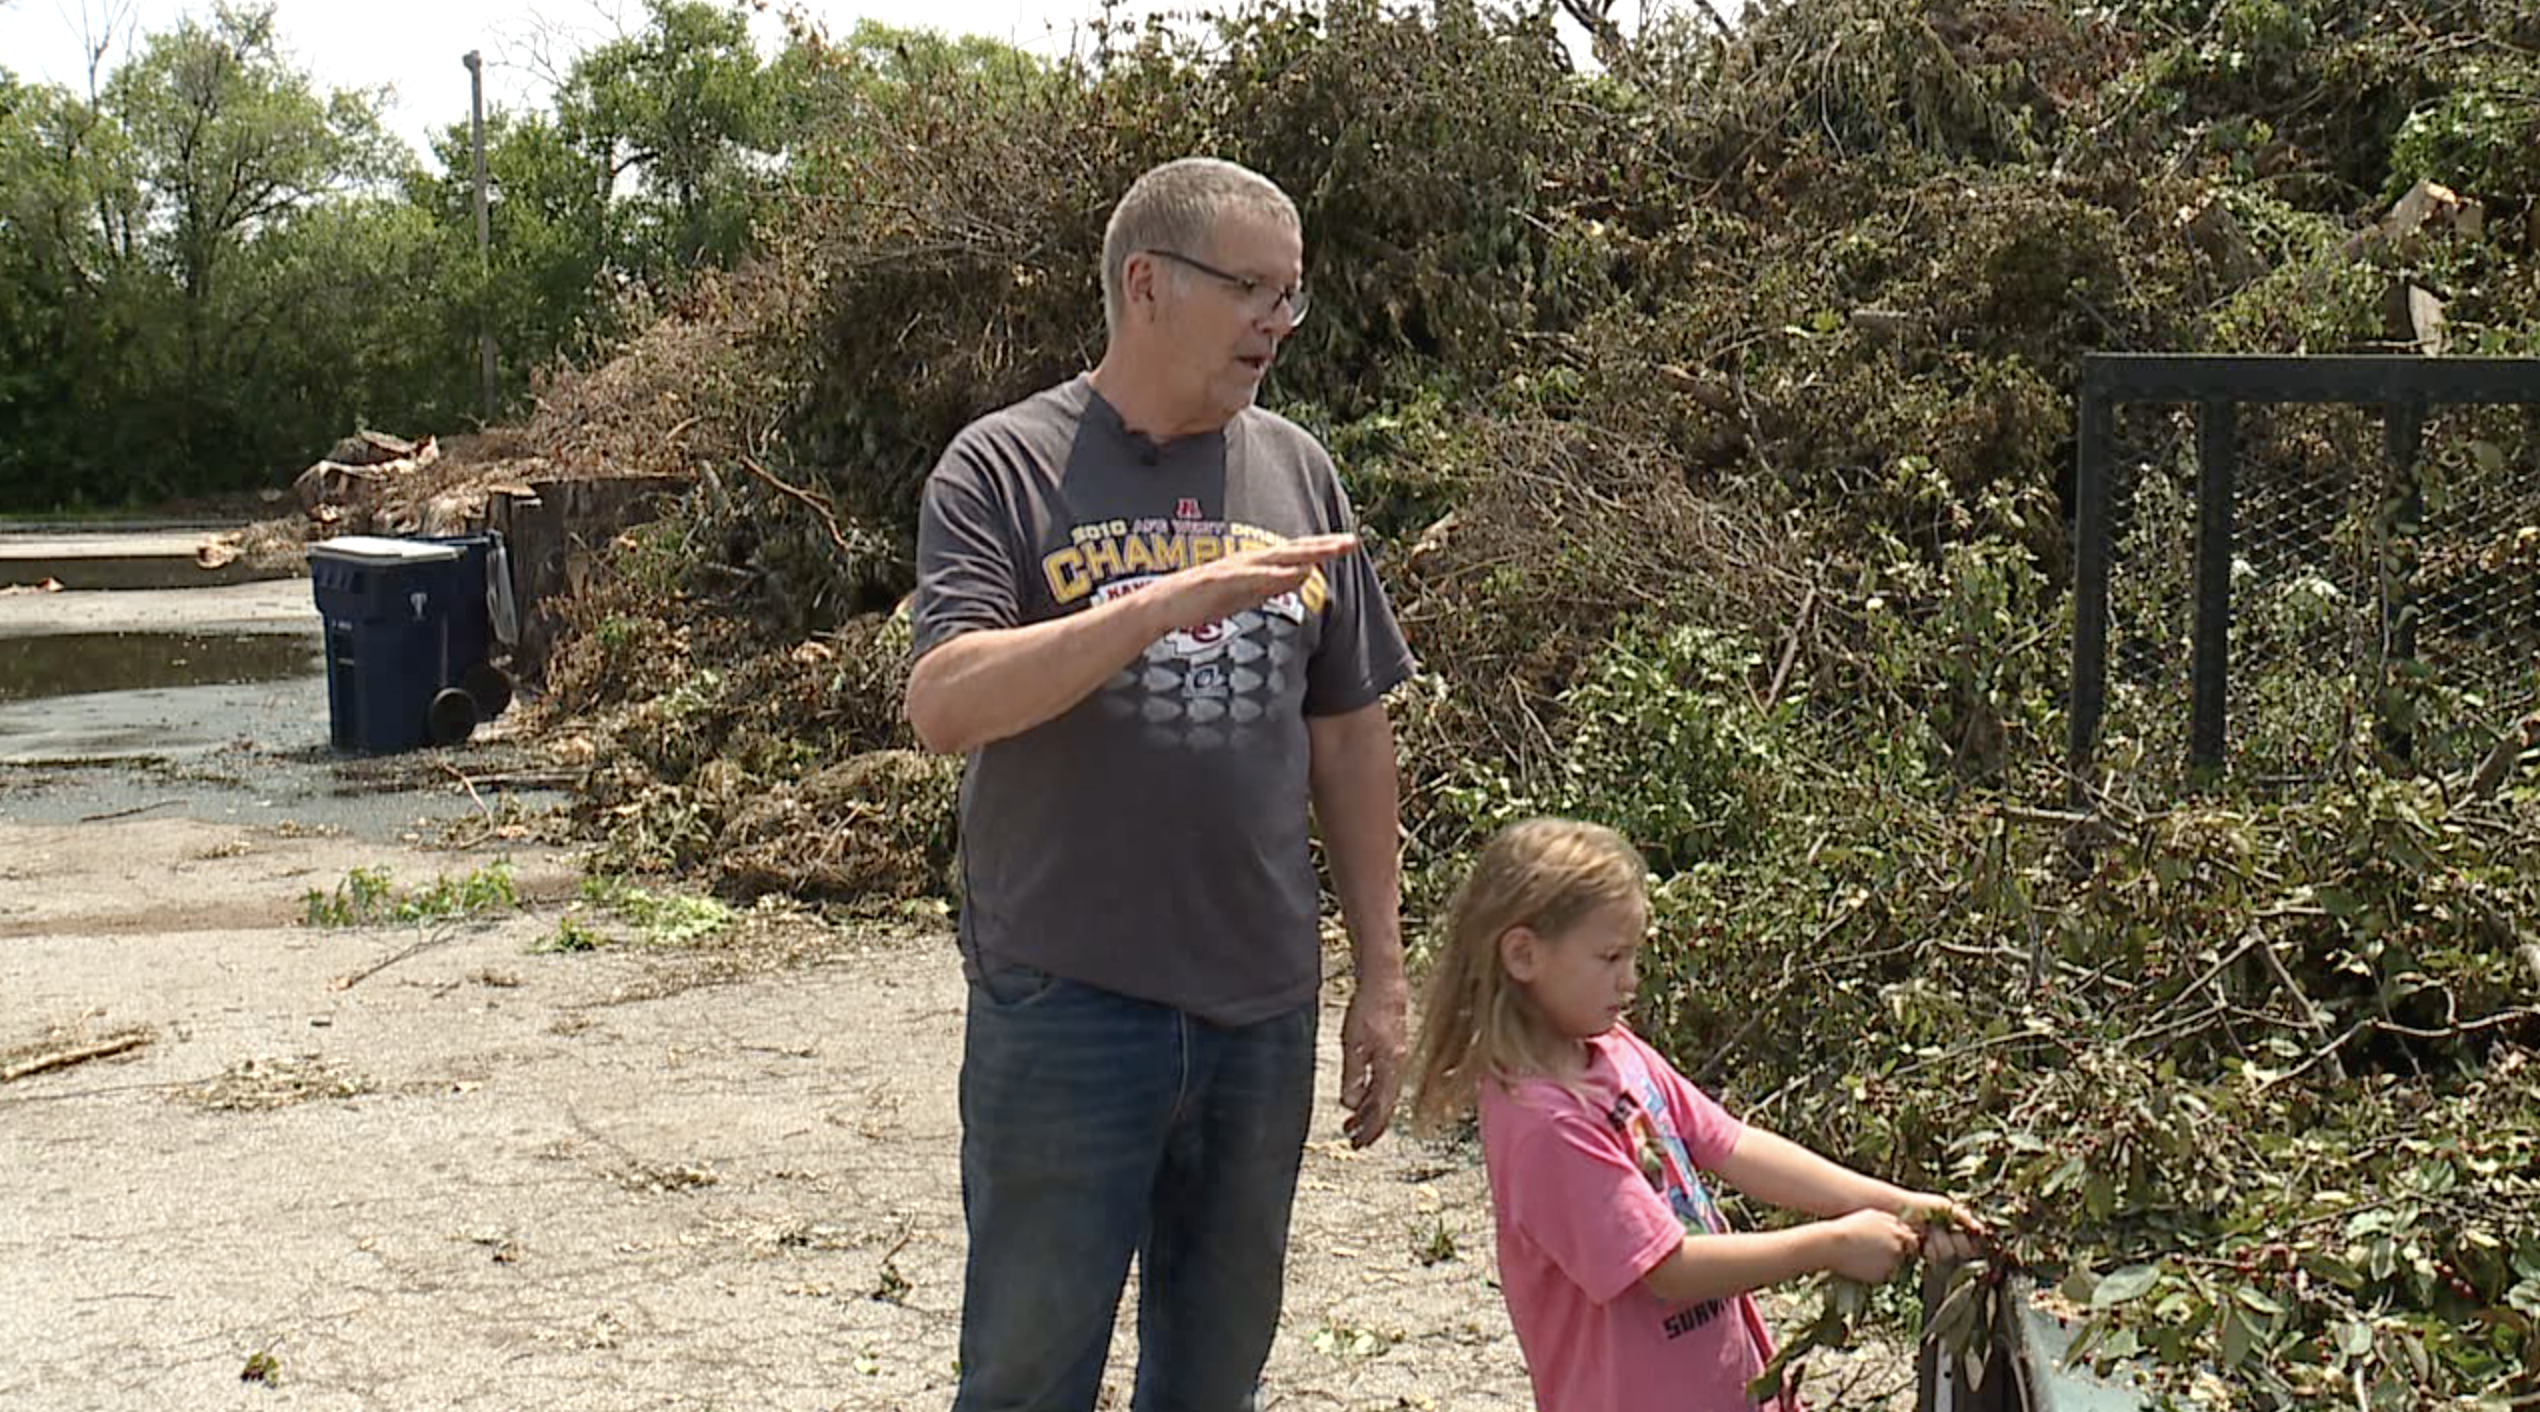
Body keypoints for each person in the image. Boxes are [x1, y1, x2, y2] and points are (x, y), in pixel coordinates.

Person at [903, 156, 1418, 1412]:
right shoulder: (1003, 469)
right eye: (1250, 289)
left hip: (1257, 1011)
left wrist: (1383, 977)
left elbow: (1348, 738)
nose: (1275, 324)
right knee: (1028, 1372)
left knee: (1214, 1371)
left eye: (1291, 297)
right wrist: (1163, 605)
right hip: (1067, 1007)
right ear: (1145, 283)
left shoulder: (1297, 471)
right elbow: (946, 700)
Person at [1408, 818, 1985, 1412]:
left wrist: (1895, 1202)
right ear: (1524, 954)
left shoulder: (1614, 1052)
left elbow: (1732, 1144)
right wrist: (1832, 1244)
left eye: (1632, 955)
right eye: (1610, 957)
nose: (1629, 981)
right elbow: (1668, 1268)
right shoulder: (1546, 1125)